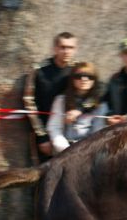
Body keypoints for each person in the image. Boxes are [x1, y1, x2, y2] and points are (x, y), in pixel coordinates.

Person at [23, 32, 78, 163]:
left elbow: (94, 94)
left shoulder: (79, 70)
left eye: (70, 47)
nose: (66, 51)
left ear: (75, 49)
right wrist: (42, 136)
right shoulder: (39, 70)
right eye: (62, 47)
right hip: (44, 133)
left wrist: (80, 109)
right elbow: (28, 102)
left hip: (72, 133)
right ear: (55, 48)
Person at [46, 62, 107, 154]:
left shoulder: (100, 104)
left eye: (89, 76)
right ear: (72, 79)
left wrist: (86, 152)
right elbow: (54, 127)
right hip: (64, 150)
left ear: (95, 80)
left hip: (89, 151)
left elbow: (98, 131)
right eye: (79, 76)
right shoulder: (61, 100)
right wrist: (66, 150)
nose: (84, 79)